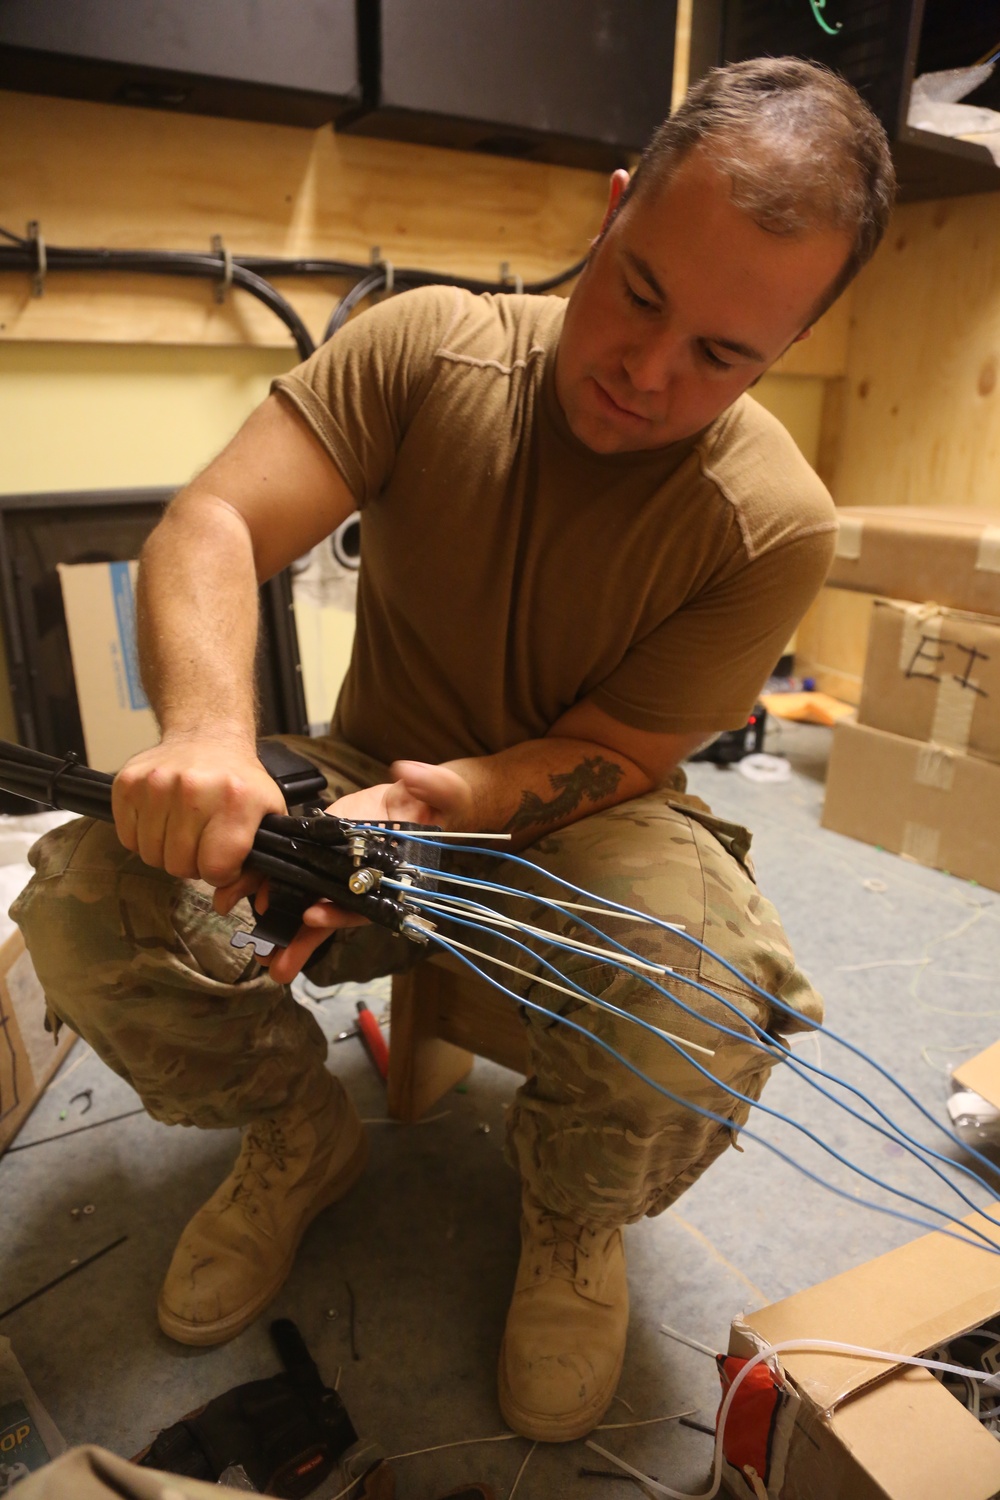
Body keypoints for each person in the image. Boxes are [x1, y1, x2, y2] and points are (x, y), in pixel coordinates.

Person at [12, 58, 895, 1444]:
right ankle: (297, 1140)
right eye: (644, 293)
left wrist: (468, 801)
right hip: (364, 754)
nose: (648, 374)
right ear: (614, 211)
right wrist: (207, 736)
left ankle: (573, 1213)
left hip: (571, 810)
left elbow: (620, 747)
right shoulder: (427, 348)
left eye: (724, 356)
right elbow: (215, 527)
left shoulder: (773, 519)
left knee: (720, 986)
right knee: (89, 892)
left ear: (788, 348)